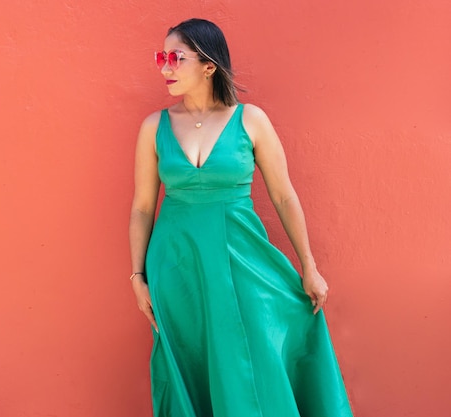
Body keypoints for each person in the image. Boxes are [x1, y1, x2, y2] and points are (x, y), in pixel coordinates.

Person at [129, 18, 353, 417]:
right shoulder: (154, 127)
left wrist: (309, 267)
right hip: (177, 266)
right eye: (161, 57)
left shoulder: (251, 120)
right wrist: (137, 277)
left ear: (208, 65)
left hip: (243, 259)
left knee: (255, 357)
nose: (165, 67)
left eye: (175, 58)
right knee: (193, 360)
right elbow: (143, 207)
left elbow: (283, 196)